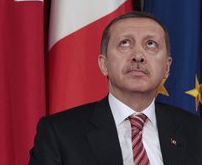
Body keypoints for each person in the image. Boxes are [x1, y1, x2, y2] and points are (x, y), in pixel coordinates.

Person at [29, 11, 202, 165]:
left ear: (167, 67)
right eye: (125, 43)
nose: (138, 56)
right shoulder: (60, 133)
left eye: (150, 44)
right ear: (104, 64)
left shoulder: (196, 132)